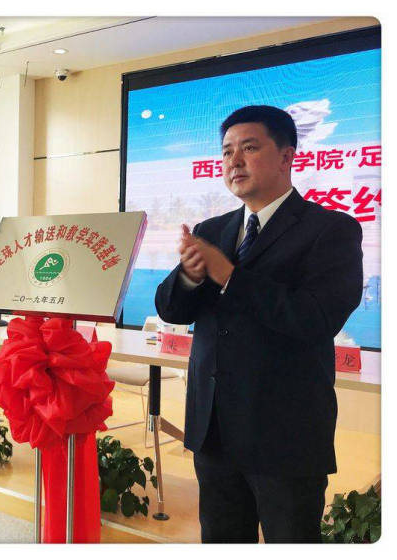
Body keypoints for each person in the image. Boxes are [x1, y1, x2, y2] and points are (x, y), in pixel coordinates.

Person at [155, 105, 363, 543]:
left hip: (284, 436)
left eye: (249, 148)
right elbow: (172, 311)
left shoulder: (331, 229)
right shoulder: (212, 229)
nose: (234, 161)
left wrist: (230, 276)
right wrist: (190, 275)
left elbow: (316, 318)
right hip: (214, 430)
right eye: (226, 151)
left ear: (287, 156)